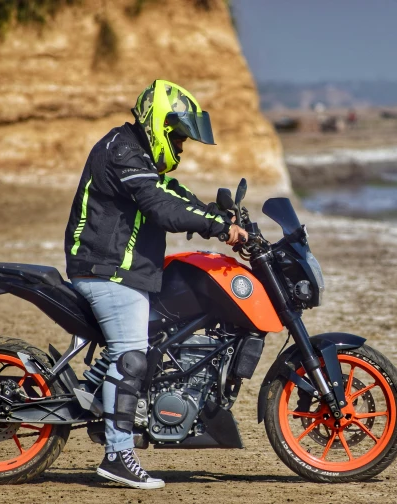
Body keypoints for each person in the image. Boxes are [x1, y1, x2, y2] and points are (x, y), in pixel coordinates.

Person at [63, 80, 248, 489]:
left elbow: (174, 195)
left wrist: (219, 215)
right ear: (158, 124)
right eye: (178, 137)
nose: (181, 147)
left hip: (122, 270)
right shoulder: (124, 151)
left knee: (148, 341)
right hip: (106, 270)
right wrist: (217, 226)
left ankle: (96, 394)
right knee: (131, 357)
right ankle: (117, 455)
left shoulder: (139, 156)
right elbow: (160, 206)